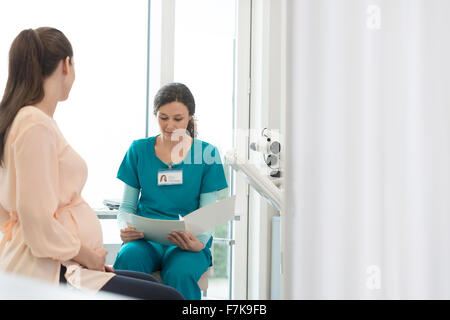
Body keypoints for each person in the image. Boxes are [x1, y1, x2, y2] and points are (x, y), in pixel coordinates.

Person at [0, 27, 183, 300]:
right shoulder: (33, 124)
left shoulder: (28, 121)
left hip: (63, 263)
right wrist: (87, 255)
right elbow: (36, 222)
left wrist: (85, 259)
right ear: (66, 64)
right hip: (50, 270)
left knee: (148, 282)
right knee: (170, 298)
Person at [113, 82, 228, 300]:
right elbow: (126, 206)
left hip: (189, 241)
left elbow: (208, 213)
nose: (170, 126)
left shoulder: (207, 154)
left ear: (190, 117)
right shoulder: (138, 150)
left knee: (180, 272)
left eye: (178, 119)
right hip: (145, 240)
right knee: (128, 259)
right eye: (163, 118)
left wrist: (200, 242)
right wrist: (124, 228)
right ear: (155, 114)